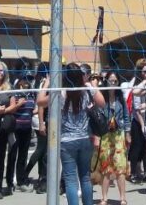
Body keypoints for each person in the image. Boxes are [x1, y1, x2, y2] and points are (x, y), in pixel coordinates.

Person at [37, 62, 106, 205]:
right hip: (85, 139)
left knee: (70, 180)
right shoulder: (86, 89)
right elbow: (102, 103)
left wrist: (47, 83)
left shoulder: (60, 92)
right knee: (85, 177)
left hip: (67, 141)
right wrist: (91, 85)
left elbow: (40, 101)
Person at [94, 71, 130, 205]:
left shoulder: (121, 98)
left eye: (115, 81)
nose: (113, 83)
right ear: (106, 81)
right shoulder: (101, 97)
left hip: (119, 134)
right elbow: (97, 116)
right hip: (105, 134)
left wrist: (128, 133)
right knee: (106, 167)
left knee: (120, 166)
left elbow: (126, 116)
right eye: (111, 80)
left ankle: (123, 198)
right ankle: (104, 198)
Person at [0, 61, 19, 198]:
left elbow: (13, 106)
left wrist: (3, 110)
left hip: (3, 125)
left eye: (3, 71)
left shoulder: (8, 87)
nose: (1, 73)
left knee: (0, 156)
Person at [6, 73, 36, 193]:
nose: (27, 82)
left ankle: (21, 181)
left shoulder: (31, 93)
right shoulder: (15, 93)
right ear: (19, 81)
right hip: (16, 127)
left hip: (27, 128)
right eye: (25, 79)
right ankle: (9, 183)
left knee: (23, 156)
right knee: (12, 155)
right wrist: (19, 104)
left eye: (29, 79)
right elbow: (11, 109)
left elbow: (32, 110)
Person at [124, 59, 146, 184]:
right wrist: (142, 125)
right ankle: (133, 173)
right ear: (140, 72)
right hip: (137, 121)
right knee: (136, 147)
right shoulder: (137, 84)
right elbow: (136, 108)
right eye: (144, 71)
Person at [24, 63, 50, 194]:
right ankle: (25, 173)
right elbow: (40, 105)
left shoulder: (37, 81)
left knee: (43, 150)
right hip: (40, 119)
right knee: (41, 150)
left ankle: (41, 177)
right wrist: (41, 123)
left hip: (39, 119)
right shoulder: (44, 82)